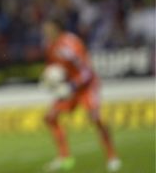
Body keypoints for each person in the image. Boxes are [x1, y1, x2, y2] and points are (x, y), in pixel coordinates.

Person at [40, 18, 121, 172]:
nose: (45, 32)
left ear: (57, 28)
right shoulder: (49, 45)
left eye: (48, 28)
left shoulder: (71, 44)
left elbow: (87, 71)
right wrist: (49, 79)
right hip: (69, 89)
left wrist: (72, 85)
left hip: (86, 86)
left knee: (96, 119)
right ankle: (65, 157)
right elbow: (53, 67)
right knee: (50, 117)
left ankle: (112, 156)